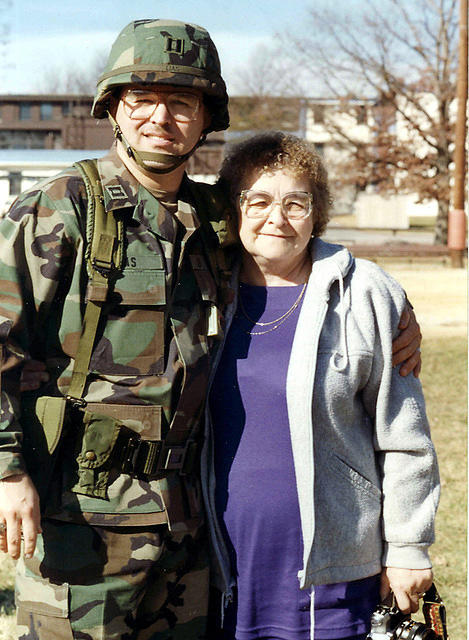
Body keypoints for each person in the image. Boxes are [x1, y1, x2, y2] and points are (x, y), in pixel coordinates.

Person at [0, 19, 421, 640]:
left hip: (189, 534)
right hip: (81, 524)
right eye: (142, 100)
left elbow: (286, 230)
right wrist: (8, 474)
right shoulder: (58, 209)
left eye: (182, 102)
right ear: (114, 109)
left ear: (206, 117)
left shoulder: (210, 215)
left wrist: (387, 302)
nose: (160, 118)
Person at [200, 132, 439, 640]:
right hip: (214, 565)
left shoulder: (365, 293)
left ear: (317, 212)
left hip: (332, 570)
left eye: (296, 203)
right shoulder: (198, 287)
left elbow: (404, 435)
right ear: (233, 209)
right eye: (258, 201)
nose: (276, 218)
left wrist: (408, 548)